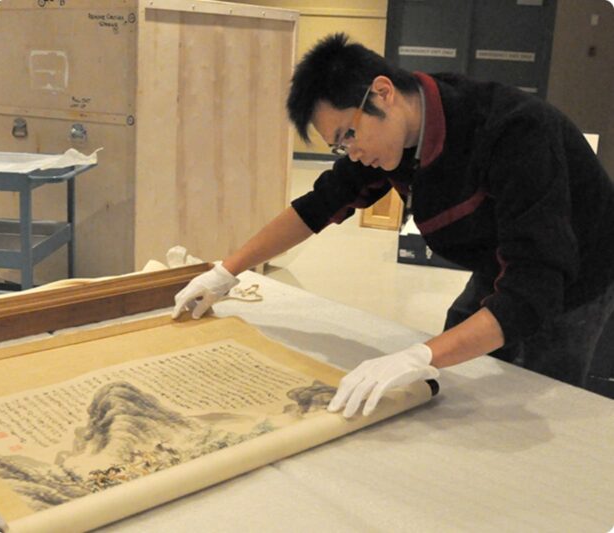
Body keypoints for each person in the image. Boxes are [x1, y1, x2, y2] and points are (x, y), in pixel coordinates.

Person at [172, 33, 614, 417]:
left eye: (348, 134)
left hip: (575, 270)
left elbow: (534, 287)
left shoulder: (513, 131)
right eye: (337, 145)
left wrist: (419, 355)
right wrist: (225, 272)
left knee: (542, 393)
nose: (350, 152)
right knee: (457, 376)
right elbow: (319, 205)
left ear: (381, 92)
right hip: (497, 257)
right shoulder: (392, 136)